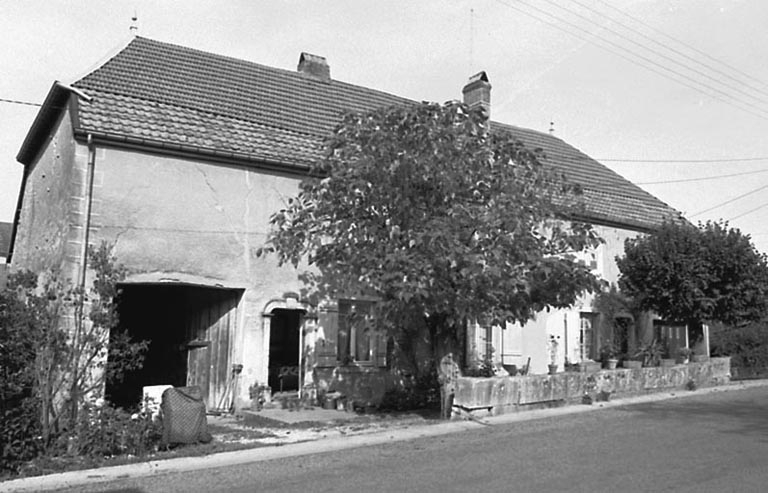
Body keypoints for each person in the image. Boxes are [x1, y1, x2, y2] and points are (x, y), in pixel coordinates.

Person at [438, 353, 460, 419]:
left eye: (451, 357)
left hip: (451, 383)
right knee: (445, 399)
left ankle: (447, 415)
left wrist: (455, 376)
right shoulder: (443, 364)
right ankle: (445, 415)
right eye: (449, 357)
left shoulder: (454, 365)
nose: (450, 358)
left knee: (449, 400)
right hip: (446, 383)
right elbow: (442, 375)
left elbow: (457, 373)